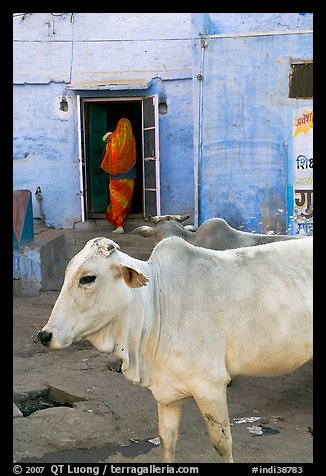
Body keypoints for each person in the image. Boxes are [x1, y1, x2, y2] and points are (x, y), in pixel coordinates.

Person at [100, 118, 137, 234]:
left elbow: (104, 155)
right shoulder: (132, 140)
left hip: (115, 176)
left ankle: (120, 224)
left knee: (116, 200)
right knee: (125, 200)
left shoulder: (111, 140)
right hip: (130, 175)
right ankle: (123, 218)